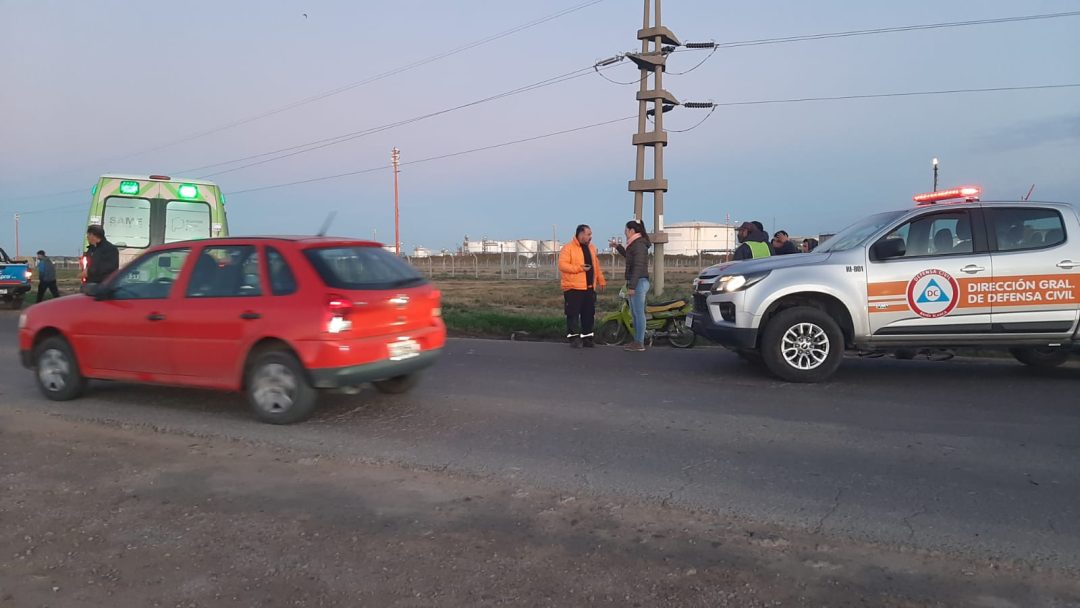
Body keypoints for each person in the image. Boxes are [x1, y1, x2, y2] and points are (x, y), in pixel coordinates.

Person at [558, 224, 606, 348]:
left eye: (591, 234)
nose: (591, 237)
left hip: (589, 288)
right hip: (573, 288)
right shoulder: (568, 248)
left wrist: (601, 280)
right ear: (581, 234)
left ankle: (587, 338)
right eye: (588, 234)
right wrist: (579, 268)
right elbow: (562, 265)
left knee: (588, 314)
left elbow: (596, 266)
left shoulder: (591, 248)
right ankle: (573, 338)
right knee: (573, 314)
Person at [611, 220, 651, 352]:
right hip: (635, 282)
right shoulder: (634, 244)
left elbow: (638, 267)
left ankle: (639, 343)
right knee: (634, 313)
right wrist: (618, 247)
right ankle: (636, 341)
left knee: (638, 314)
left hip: (638, 282)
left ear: (632, 231)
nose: (624, 231)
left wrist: (632, 286)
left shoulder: (638, 245)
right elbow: (629, 256)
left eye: (626, 229)